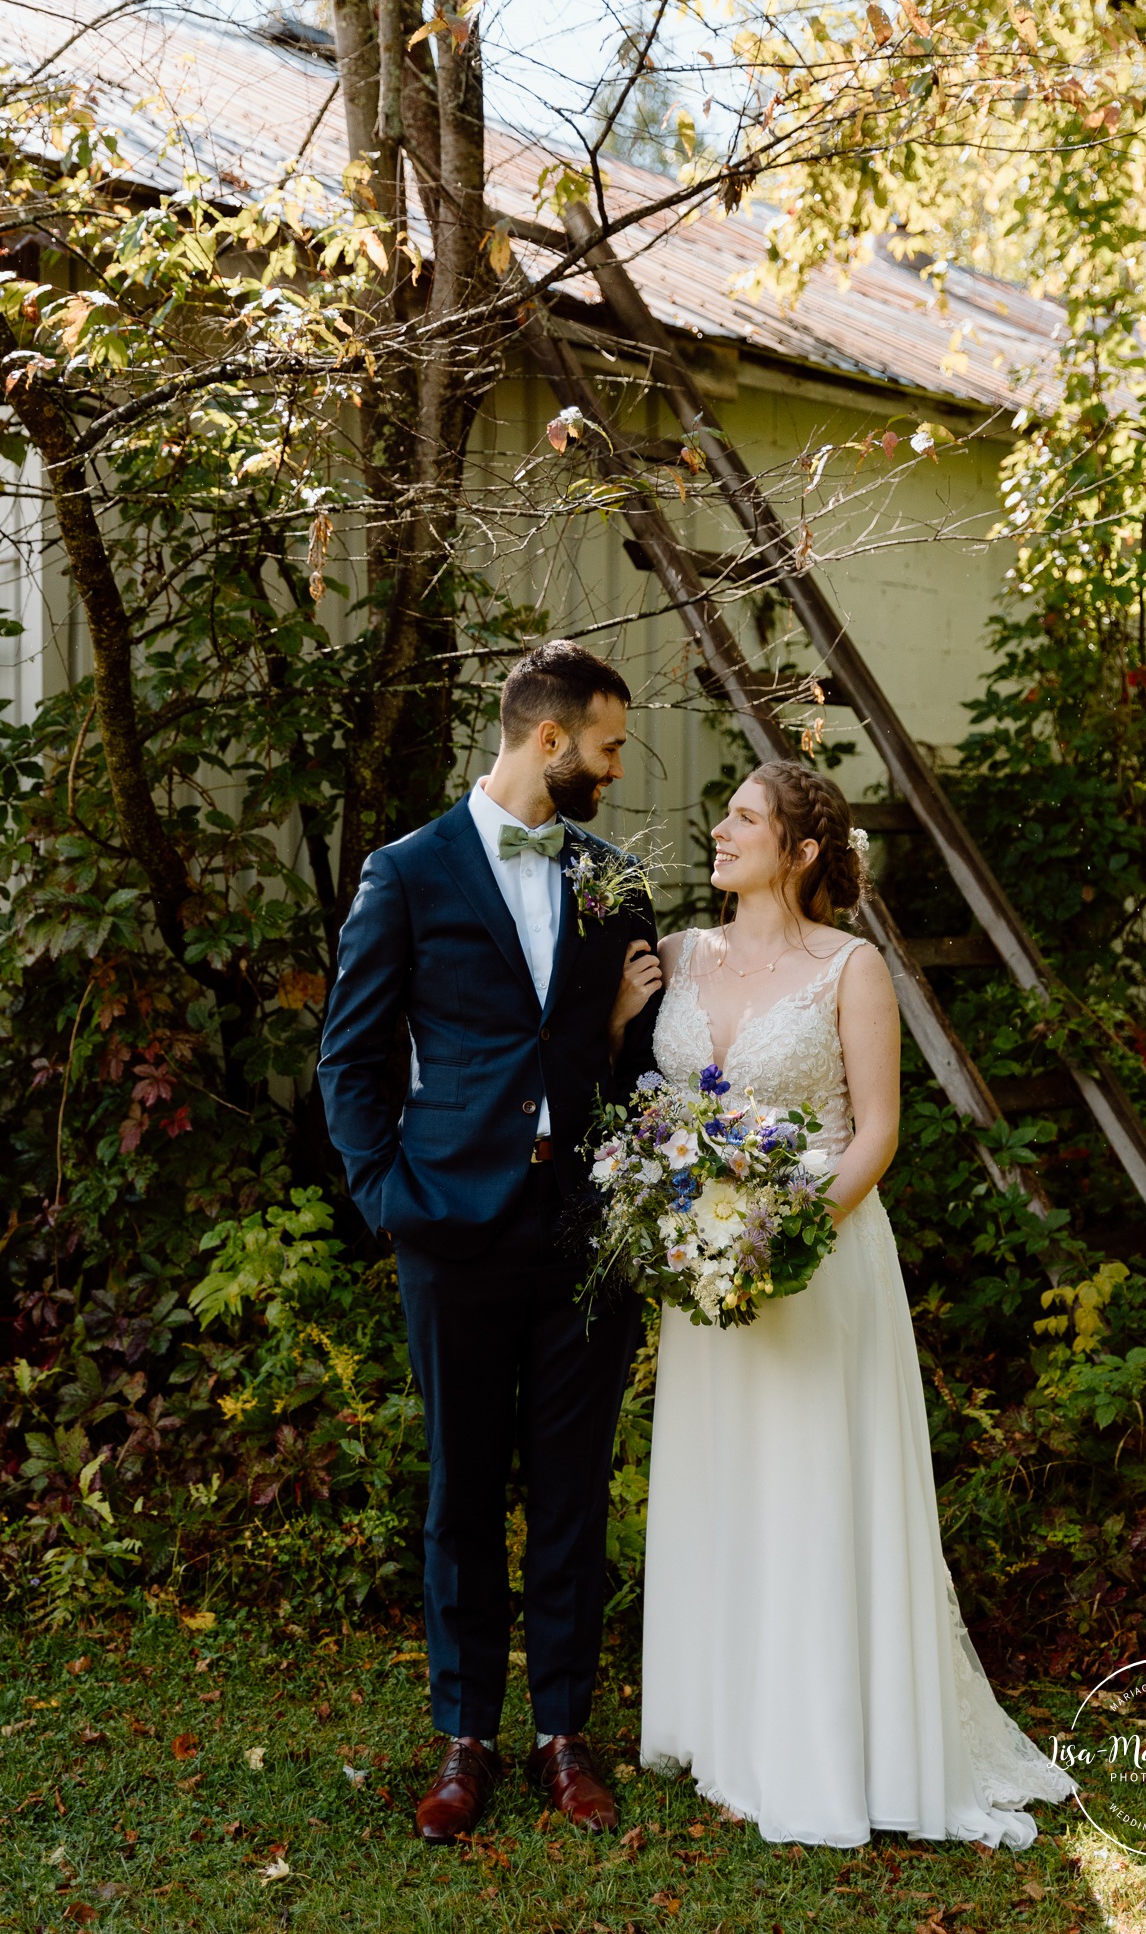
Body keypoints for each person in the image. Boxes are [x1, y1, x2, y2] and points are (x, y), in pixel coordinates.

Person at [623, 761, 1078, 1847]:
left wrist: (779, 1237)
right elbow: (641, 1099)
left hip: (815, 1261)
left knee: (814, 1484)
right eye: (724, 808)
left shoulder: (851, 967)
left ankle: (831, 1738)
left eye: (743, 815)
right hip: (704, 1273)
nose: (720, 827)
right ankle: (726, 1726)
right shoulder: (679, 954)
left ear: (801, 849)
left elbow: (876, 1132)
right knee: (726, 1480)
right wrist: (688, 1214)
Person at [317, 641, 664, 1844]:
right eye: (609, 744)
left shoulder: (616, 877)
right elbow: (350, 1057)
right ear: (550, 738)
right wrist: (387, 1196)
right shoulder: (406, 872)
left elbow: (642, 1068)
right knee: (463, 1486)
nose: (621, 767)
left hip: (584, 1229)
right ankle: (464, 1735)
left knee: (570, 1491)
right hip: (448, 1228)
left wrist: (624, 1067)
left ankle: (565, 1730)